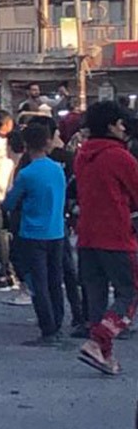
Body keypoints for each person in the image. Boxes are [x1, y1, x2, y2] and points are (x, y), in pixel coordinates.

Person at [74, 101, 138, 376]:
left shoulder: (82, 155)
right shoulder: (119, 156)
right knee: (129, 293)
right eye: (121, 123)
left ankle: (104, 352)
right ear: (112, 125)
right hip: (115, 235)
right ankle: (99, 340)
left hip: (87, 235)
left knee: (97, 296)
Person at [3, 122, 67, 346]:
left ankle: (47, 327)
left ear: (26, 145)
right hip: (56, 230)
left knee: (38, 282)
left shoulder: (27, 174)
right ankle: (58, 322)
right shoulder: (58, 169)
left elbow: (10, 203)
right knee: (54, 279)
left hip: (32, 232)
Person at [0, 110, 20, 296]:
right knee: (0, 234)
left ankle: (4, 268)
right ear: (7, 124)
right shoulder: (7, 142)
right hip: (2, 192)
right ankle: (5, 268)